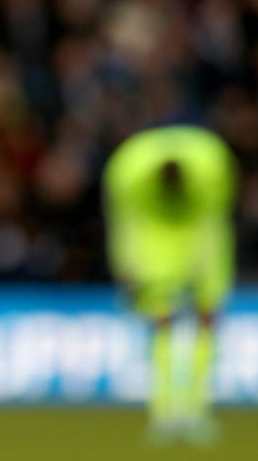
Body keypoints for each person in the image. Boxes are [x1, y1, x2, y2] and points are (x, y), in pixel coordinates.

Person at [103, 124, 237, 444]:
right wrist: (127, 268)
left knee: (207, 319)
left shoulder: (211, 164)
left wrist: (204, 269)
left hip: (202, 234)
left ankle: (196, 410)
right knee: (162, 321)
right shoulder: (128, 171)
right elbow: (124, 225)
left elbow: (215, 219)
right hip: (155, 238)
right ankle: (164, 411)